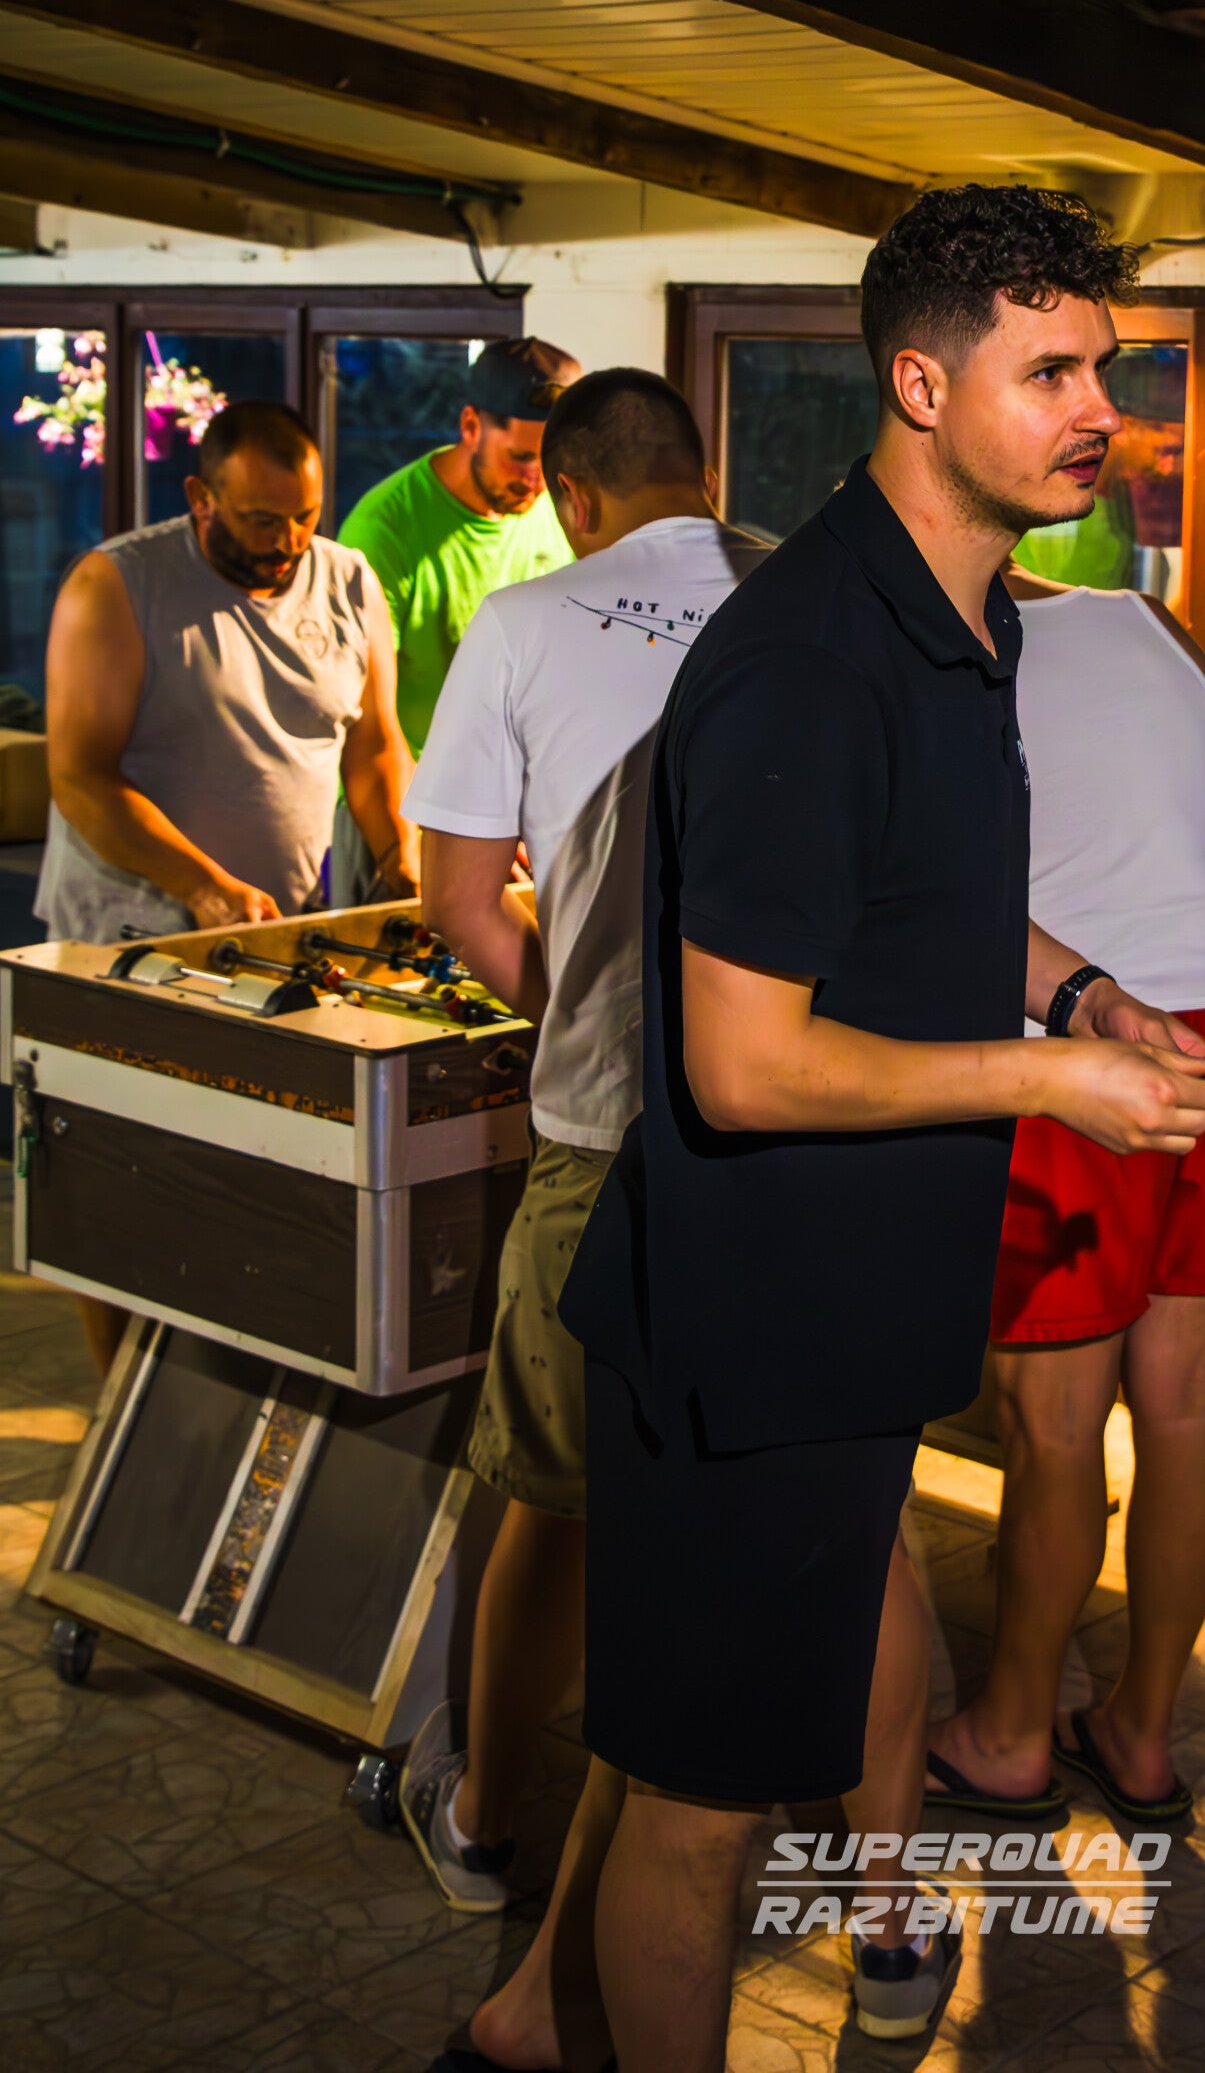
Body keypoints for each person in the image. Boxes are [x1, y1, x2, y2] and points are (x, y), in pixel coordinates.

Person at [557, 185, 1205, 2073]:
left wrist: (1081, 998)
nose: (1099, 411)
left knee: (819, 1703)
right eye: (1051, 373)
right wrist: (1052, 1082)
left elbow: (921, 898)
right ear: (923, 387)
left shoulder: (961, 618)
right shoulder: (813, 657)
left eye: (1103, 368)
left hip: (851, 1325)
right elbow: (743, 1066)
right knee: (701, 1815)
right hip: (745, 1338)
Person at [394, 374, 760, 2044]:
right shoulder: (809, 598)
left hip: (606, 1131)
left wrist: (581, 1007)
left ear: (570, 496)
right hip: (794, 1138)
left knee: (549, 1494)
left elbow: (459, 895)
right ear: (706, 473)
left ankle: (485, 1823)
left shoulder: (530, 619)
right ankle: (848, 1885)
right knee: (778, 1513)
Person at [926, 568, 1205, 1830]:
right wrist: (1171, 958)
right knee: (1186, 1404)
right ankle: (1139, 1734)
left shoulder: (934, 638)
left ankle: (1011, 1735)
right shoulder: (1145, 621)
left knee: (1057, 1422)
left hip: (1074, 1047)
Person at [37, 397, 416, 1369]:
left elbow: (376, 749)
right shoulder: (117, 585)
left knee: (235, 1179)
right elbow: (79, 776)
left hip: (273, 934)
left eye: (304, 517)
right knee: (113, 1185)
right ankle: (121, 1405)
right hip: (124, 934)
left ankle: (205, 1395)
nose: (286, 541)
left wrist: (405, 854)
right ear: (200, 498)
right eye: (259, 519)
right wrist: (201, 883)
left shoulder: (348, 579)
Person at [333, 341, 581, 902]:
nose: (537, 479)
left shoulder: (556, 513)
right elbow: (369, 726)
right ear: (471, 425)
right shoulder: (385, 530)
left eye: (552, 462)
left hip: (512, 817)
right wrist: (444, 832)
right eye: (520, 457)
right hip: (401, 812)